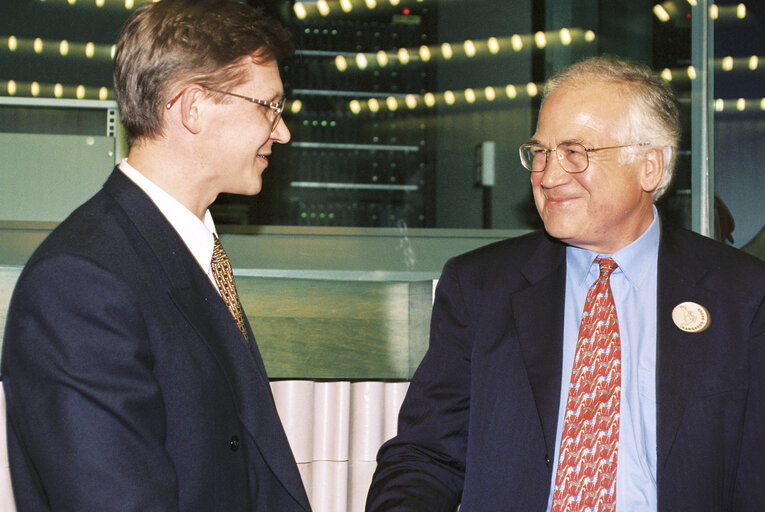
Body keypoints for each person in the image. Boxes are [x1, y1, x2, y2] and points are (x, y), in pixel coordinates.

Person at [366, 56, 765, 511]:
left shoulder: (744, 296)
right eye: (540, 153)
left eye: (575, 152)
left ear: (649, 167)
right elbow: (426, 455)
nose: (548, 176)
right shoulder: (479, 287)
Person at [1, 1, 311, 510]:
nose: (281, 131)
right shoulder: (79, 283)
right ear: (193, 107)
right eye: (268, 106)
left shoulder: (186, 249)